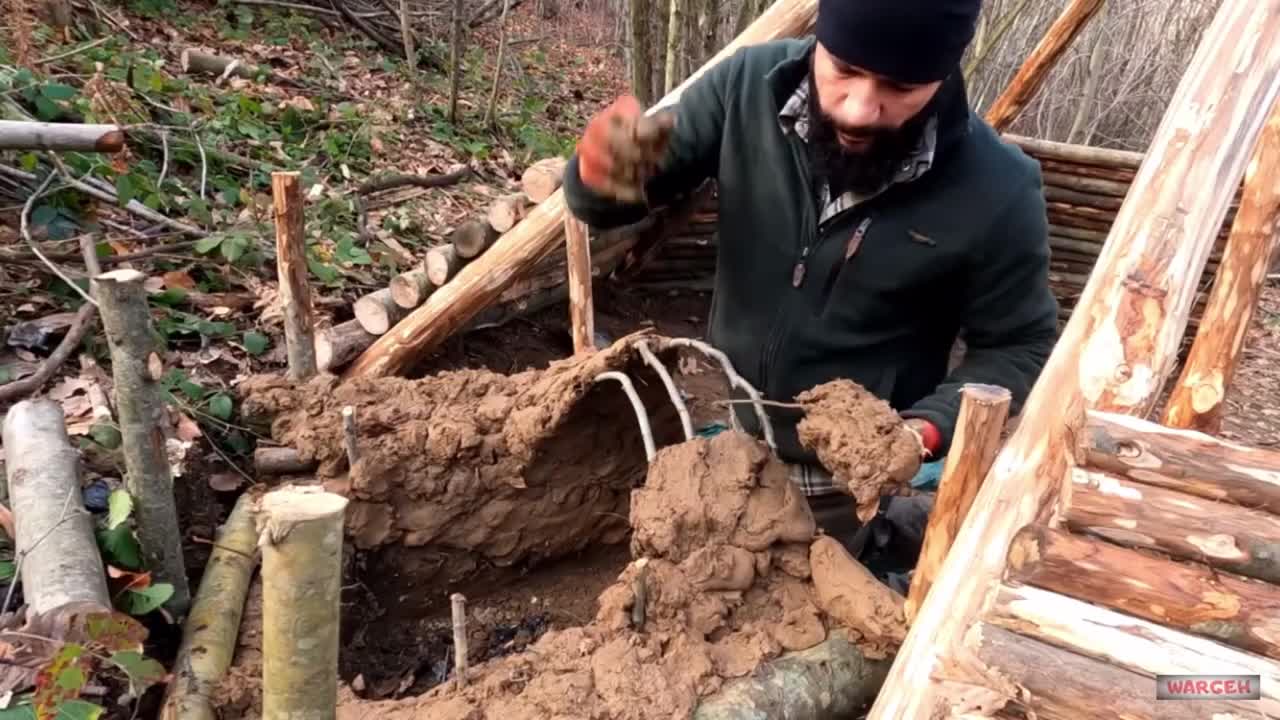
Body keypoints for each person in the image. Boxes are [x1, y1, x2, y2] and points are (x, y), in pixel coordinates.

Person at [562, 0, 1058, 590]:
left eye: (899, 87)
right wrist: (600, 176)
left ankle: (885, 536)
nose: (859, 108)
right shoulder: (746, 88)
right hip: (731, 426)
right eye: (843, 69)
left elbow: (1019, 344)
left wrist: (921, 431)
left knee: (800, 600)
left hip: (849, 476)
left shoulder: (997, 188)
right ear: (820, 38)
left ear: (944, 73)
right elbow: (625, 190)